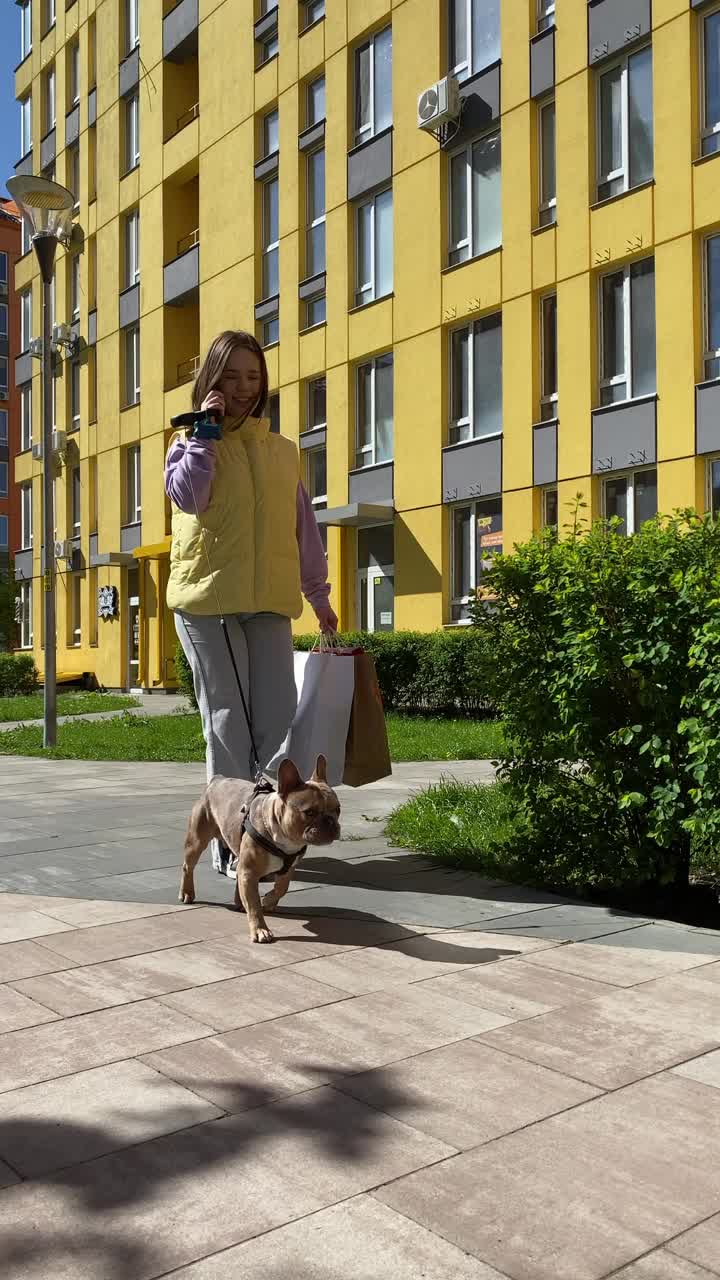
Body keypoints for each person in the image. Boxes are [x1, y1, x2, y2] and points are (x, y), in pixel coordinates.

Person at [165, 330, 337, 876]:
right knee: (227, 723)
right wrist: (206, 434)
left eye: (252, 376)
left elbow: (303, 530)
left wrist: (319, 596)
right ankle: (231, 842)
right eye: (231, 376)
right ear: (211, 381)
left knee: (276, 720)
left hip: (268, 599)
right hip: (207, 600)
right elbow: (189, 497)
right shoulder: (190, 443)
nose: (243, 387)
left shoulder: (282, 451)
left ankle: (268, 831)